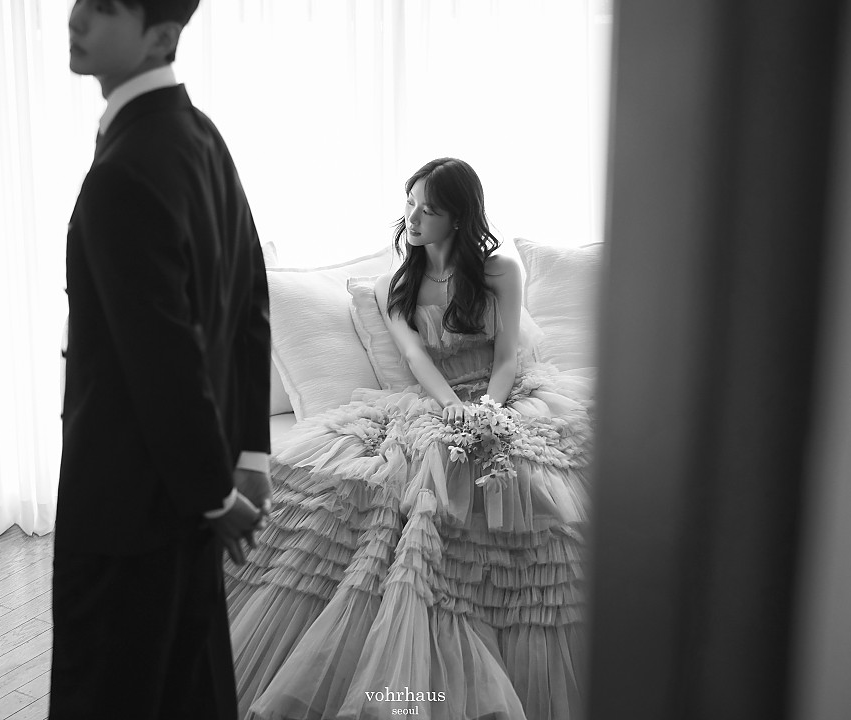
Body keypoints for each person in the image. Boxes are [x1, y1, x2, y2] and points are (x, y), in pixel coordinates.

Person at [224, 158, 591, 720]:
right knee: (380, 494)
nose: (413, 217)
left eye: (429, 208)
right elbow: (417, 357)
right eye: (410, 203)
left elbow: (507, 356)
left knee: (522, 480)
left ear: (459, 217)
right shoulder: (392, 283)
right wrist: (453, 410)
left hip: (506, 394)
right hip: (433, 400)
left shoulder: (499, 271)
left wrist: (489, 412)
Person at [51, 1, 272, 718]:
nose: (77, 18)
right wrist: (248, 456)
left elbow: (162, 359)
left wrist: (216, 495)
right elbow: (252, 300)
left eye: (104, 8)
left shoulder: (124, 169)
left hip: (125, 509)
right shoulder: (202, 135)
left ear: (162, 37)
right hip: (187, 502)